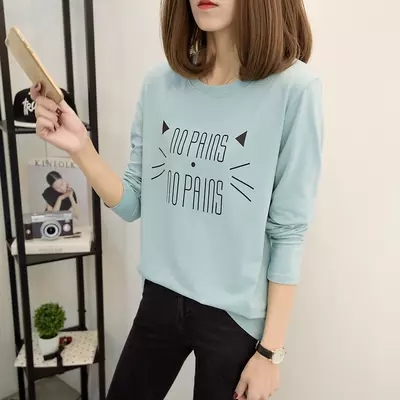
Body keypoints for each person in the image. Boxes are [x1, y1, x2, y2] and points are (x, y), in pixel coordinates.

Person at [31, 0, 324, 398]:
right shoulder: (159, 85)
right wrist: (80, 147)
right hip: (161, 296)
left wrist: (270, 353)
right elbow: (133, 201)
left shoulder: (294, 89)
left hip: (234, 317)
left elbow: (288, 231)